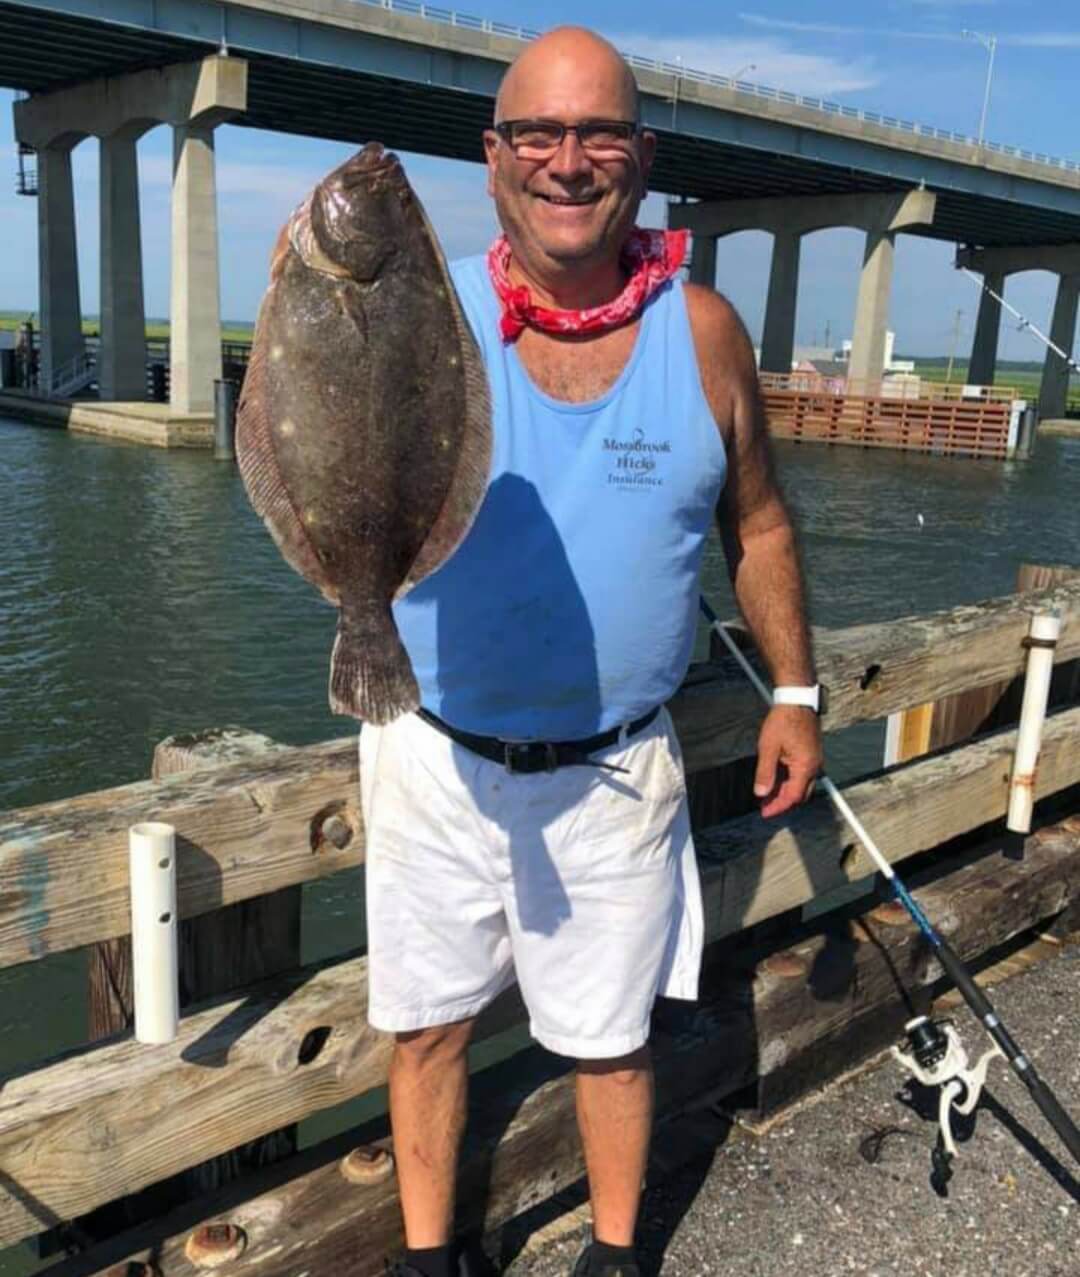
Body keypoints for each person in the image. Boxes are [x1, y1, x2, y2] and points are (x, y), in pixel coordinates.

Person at [361, 26, 823, 1277]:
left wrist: (793, 688)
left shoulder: (707, 332)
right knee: (428, 1027)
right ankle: (426, 1254)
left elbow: (762, 521)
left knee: (612, 1035)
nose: (570, 162)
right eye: (539, 134)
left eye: (599, 134)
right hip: (429, 749)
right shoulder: (421, 312)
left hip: (618, 769)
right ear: (495, 154)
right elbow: (324, 446)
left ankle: (617, 1253)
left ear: (642, 156)